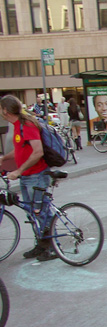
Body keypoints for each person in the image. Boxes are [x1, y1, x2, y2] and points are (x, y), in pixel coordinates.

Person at [0, 95, 56, 261]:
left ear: (5, 110)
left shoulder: (27, 125)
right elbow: (21, 150)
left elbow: (37, 152)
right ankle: (41, 244)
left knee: (41, 212)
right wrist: (5, 159)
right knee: (32, 213)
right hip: (27, 176)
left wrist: (18, 170)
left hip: (36, 175)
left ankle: (53, 247)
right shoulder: (18, 126)